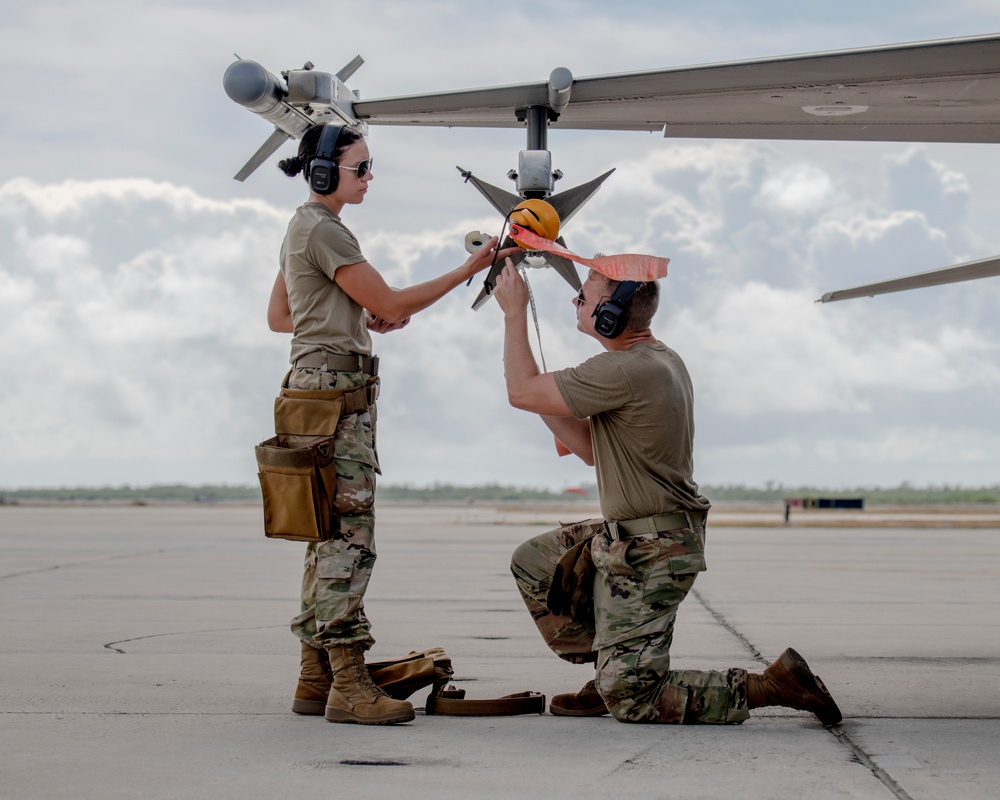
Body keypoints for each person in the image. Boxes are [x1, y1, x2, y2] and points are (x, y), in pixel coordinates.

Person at [492, 260, 843, 726]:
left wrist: (514, 313)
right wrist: (545, 396)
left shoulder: (625, 369)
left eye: (585, 295)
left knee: (635, 703)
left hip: (652, 551)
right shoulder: (656, 359)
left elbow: (520, 392)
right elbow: (589, 449)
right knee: (535, 561)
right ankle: (616, 664)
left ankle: (771, 685)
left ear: (610, 314)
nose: (576, 301)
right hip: (637, 536)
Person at [267, 121, 516, 725]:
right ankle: (349, 686)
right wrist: (472, 267)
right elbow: (394, 303)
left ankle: (314, 676)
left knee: (323, 532)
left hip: (311, 391)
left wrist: (354, 313)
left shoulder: (305, 229)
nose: (370, 177)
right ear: (325, 173)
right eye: (361, 168)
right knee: (349, 541)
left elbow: (282, 316)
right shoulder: (325, 232)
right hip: (336, 397)